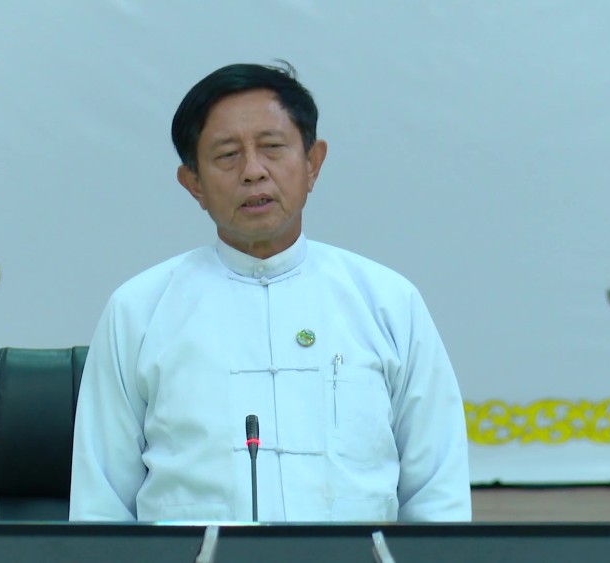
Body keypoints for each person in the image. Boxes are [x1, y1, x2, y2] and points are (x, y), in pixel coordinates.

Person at [69, 62, 471, 522]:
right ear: (194, 183)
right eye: (227, 155)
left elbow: (438, 496)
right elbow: (101, 506)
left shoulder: (388, 302)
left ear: (313, 163)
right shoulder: (139, 311)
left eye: (272, 148)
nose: (253, 172)